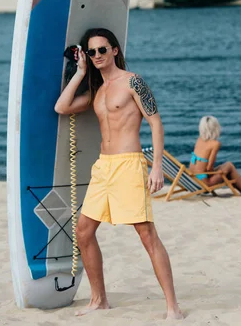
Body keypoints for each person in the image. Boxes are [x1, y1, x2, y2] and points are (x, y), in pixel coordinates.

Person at [54, 27, 183, 320]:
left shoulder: (133, 82)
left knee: (147, 234)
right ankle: (99, 300)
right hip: (103, 167)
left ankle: (173, 307)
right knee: (83, 231)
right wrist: (79, 71)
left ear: (114, 50)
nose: (97, 55)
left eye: (102, 49)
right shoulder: (97, 91)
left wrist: (158, 166)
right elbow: (61, 107)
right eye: (91, 51)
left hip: (128, 164)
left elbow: (156, 123)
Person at [190, 115, 241, 196]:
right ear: (216, 128)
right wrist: (220, 174)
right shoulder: (215, 144)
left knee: (223, 168)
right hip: (205, 184)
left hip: (194, 181)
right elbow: (209, 169)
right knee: (229, 166)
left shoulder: (199, 140)